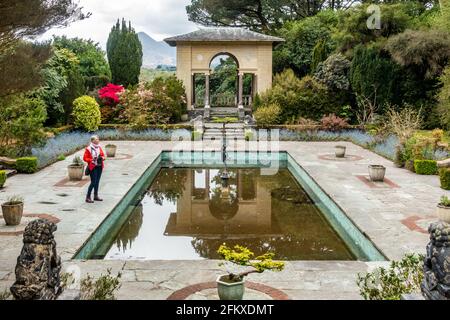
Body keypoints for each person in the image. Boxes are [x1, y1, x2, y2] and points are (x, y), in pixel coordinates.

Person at [83, 135, 105, 203]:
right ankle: (88, 197)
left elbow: (102, 155)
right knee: (93, 182)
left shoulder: (99, 147)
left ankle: (95, 196)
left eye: (98, 139)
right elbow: (84, 158)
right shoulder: (89, 148)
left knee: (97, 182)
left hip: (99, 166)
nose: (98, 140)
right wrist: (92, 159)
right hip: (93, 167)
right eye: (96, 139)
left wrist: (103, 158)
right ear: (92, 141)